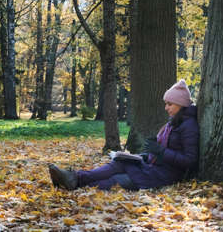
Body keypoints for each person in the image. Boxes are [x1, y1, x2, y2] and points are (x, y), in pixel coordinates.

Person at [48, 79, 199, 190]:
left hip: (165, 175)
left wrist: (161, 151)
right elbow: (165, 151)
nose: (166, 108)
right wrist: (149, 153)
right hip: (154, 167)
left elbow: (190, 161)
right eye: (165, 103)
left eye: (169, 104)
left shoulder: (188, 126)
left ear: (181, 104)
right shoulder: (173, 123)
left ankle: (72, 184)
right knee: (120, 163)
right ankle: (74, 177)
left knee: (118, 180)